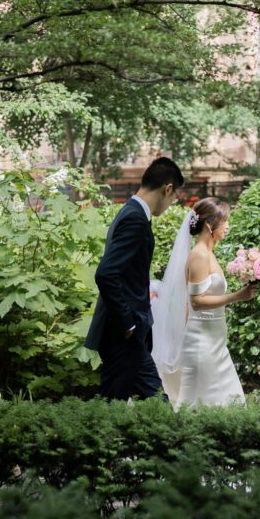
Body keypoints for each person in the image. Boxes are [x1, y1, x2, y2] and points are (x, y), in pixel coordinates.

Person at [85, 157, 183, 400]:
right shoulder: (135, 219)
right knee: (154, 403)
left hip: (123, 335)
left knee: (113, 402)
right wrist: (128, 322)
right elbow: (106, 274)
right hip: (124, 335)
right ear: (167, 188)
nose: (172, 203)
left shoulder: (129, 211)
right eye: (174, 197)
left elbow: (124, 273)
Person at [151, 197, 258, 410]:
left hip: (214, 339)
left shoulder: (209, 253)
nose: (228, 226)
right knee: (202, 402)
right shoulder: (199, 255)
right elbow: (197, 302)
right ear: (209, 224)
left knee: (224, 398)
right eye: (225, 221)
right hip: (201, 342)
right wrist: (237, 296)